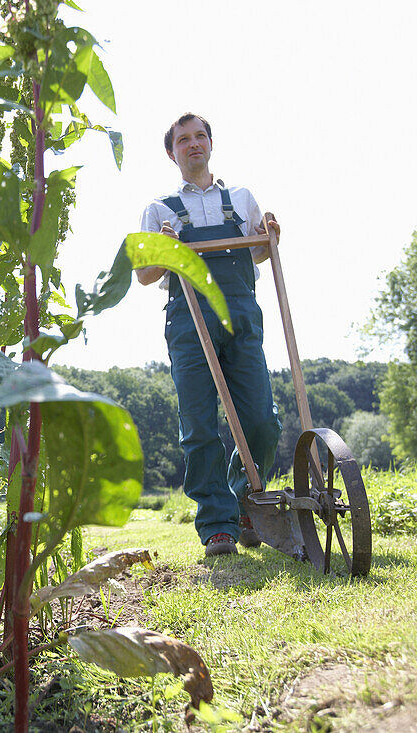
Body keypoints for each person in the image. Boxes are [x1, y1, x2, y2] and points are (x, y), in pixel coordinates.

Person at [137, 112, 283, 557]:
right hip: (188, 317)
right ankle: (217, 524)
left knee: (262, 421)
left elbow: (258, 252)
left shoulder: (241, 198)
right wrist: (163, 249)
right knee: (199, 424)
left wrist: (270, 235)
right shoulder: (158, 209)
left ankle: (241, 499)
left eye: (200, 136)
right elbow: (145, 274)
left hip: (241, 313)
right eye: (183, 139)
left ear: (211, 144)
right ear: (171, 152)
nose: (193, 143)